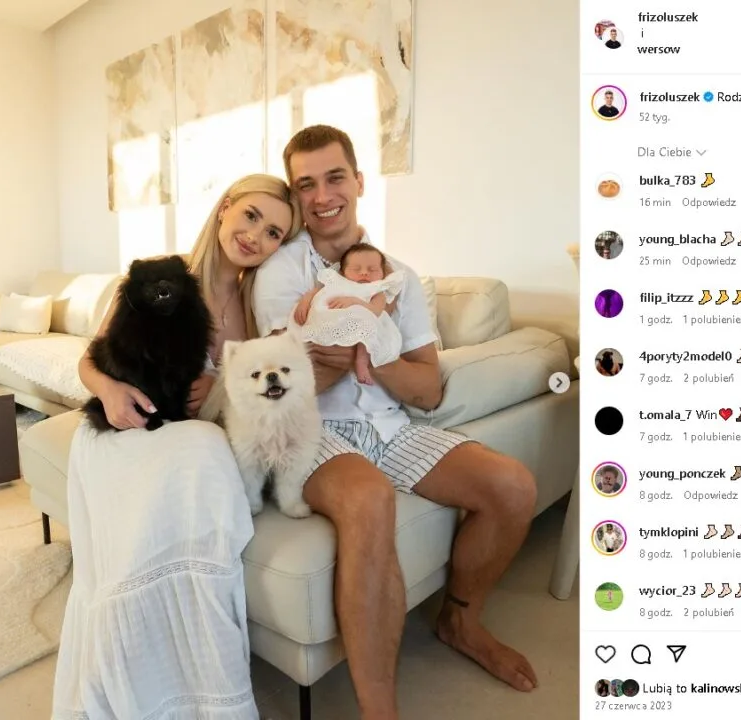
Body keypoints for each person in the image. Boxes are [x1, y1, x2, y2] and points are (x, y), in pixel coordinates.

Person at [251, 125, 540, 719]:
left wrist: (368, 354)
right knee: (369, 498)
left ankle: (461, 621)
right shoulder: (281, 271)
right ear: (296, 194)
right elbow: (284, 386)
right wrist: (362, 342)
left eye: (335, 177)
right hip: (312, 431)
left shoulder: (398, 277)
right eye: (306, 184)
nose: (322, 196)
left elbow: (427, 389)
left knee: (512, 486)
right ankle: (380, 710)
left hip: (390, 426)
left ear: (359, 182)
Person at [52, 174, 303, 719]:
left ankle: (194, 683)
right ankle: (126, 666)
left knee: (204, 455)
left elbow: (263, 386)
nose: (256, 236)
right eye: (252, 215)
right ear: (225, 208)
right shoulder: (161, 278)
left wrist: (222, 387)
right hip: (124, 430)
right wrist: (110, 391)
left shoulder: (257, 305)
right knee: (199, 455)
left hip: (188, 437)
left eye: (275, 233)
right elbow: (91, 360)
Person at [292, 243, 405, 385]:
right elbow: (315, 292)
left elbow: (375, 311)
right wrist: (305, 302)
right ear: (342, 271)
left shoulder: (376, 291)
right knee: (305, 339)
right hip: (326, 318)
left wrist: (354, 302)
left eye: (372, 269)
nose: (364, 273)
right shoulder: (336, 281)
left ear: (383, 273)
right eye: (356, 269)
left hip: (359, 323)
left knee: (367, 331)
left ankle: (361, 362)